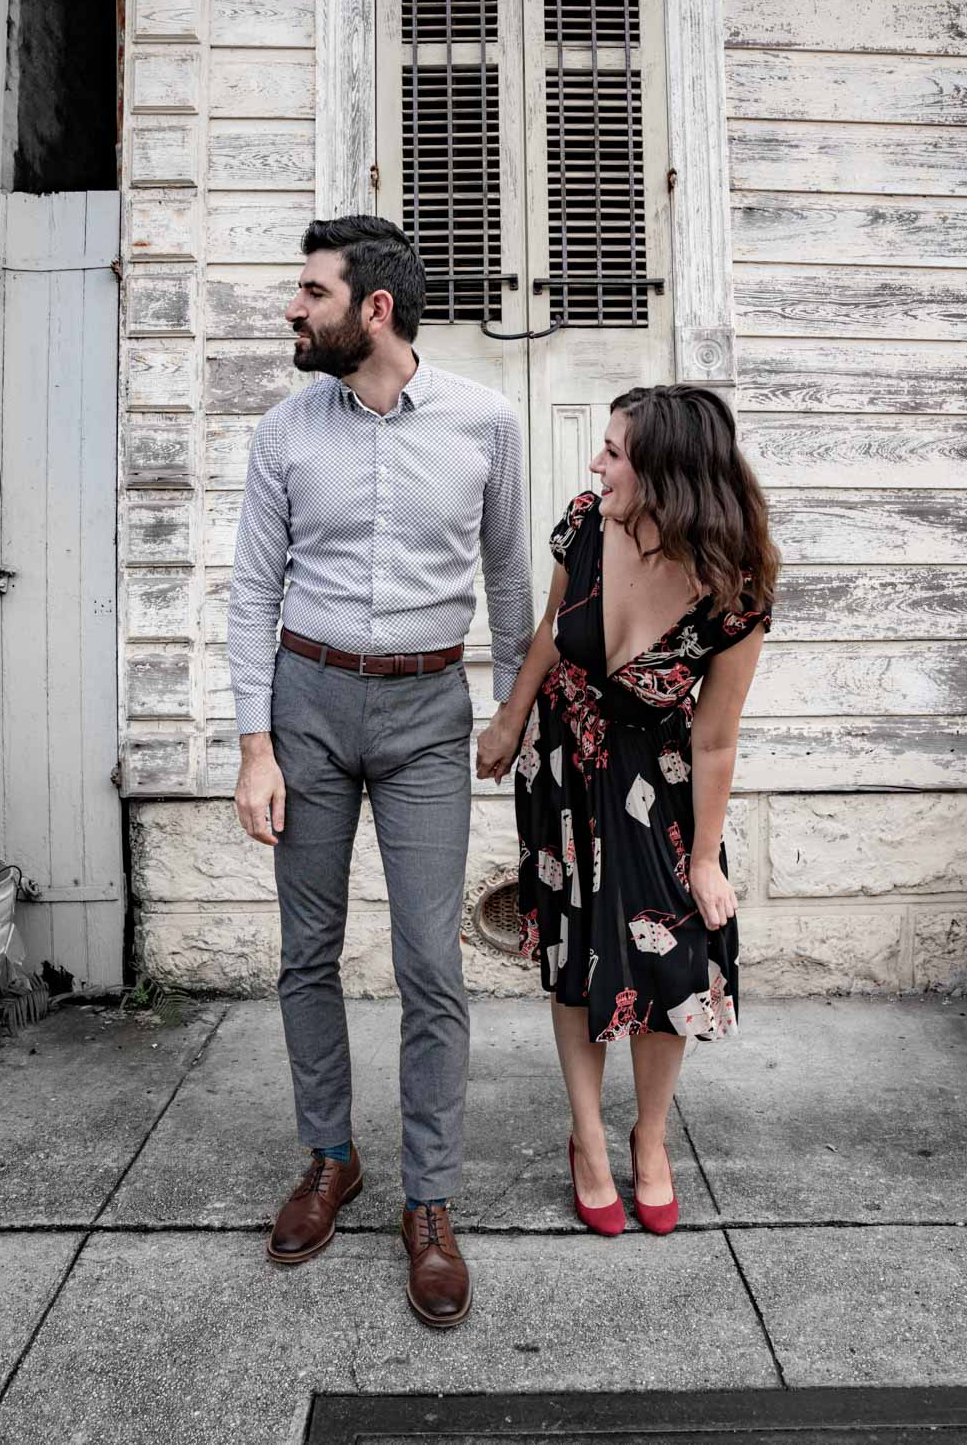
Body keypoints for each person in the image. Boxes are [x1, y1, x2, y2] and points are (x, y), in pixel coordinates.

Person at [228, 215, 533, 1326]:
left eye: (311, 291)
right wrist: (255, 747)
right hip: (306, 703)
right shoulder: (283, 431)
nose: (292, 307)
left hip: (425, 714)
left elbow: (510, 578)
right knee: (306, 952)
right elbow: (252, 592)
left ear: (375, 308)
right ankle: (330, 1157)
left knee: (429, 963)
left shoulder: (485, 422)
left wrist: (510, 712)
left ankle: (430, 1201)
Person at [475, 385, 777, 1236]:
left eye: (612, 452)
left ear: (667, 472)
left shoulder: (734, 590)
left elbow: (714, 738)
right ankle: (587, 1140)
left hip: (657, 782)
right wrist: (508, 719)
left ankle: (649, 1136)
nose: (595, 464)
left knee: (669, 960)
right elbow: (550, 629)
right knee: (575, 950)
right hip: (561, 768)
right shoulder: (583, 525)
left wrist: (704, 859)